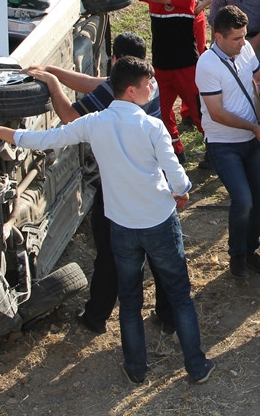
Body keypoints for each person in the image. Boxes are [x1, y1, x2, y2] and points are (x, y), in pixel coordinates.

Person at [0, 58, 214, 386]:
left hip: (121, 225)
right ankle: (196, 365)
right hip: (158, 221)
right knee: (179, 294)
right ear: (131, 90)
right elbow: (177, 178)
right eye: (148, 84)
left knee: (129, 299)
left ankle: (136, 368)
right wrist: (182, 192)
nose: (153, 87)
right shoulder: (152, 127)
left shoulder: (95, 123)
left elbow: (44, 139)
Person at [24, 32, 174, 337]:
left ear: (114, 60)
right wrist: (53, 69)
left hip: (120, 184)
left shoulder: (113, 93)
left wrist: (52, 83)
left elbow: (70, 117)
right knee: (160, 251)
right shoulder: (145, 83)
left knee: (109, 252)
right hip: (153, 181)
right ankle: (168, 315)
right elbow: (92, 83)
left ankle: (96, 315)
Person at [195, 6, 260, 279]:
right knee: (243, 200)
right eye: (237, 38)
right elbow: (216, 113)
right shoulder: (207, 65)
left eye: (244, 36)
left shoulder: (246, 49)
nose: (244, 43)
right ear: (218, 37)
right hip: (224, 143)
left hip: (251, 140)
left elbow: (259, 79)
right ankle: (237, 255)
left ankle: (250, 250)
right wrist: (254, 126)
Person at [133, 0, 203, 159]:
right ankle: (175, 151)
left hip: (186, 67)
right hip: (161, 67)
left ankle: (217, 150)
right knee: (161, 114)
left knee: (199, 112)